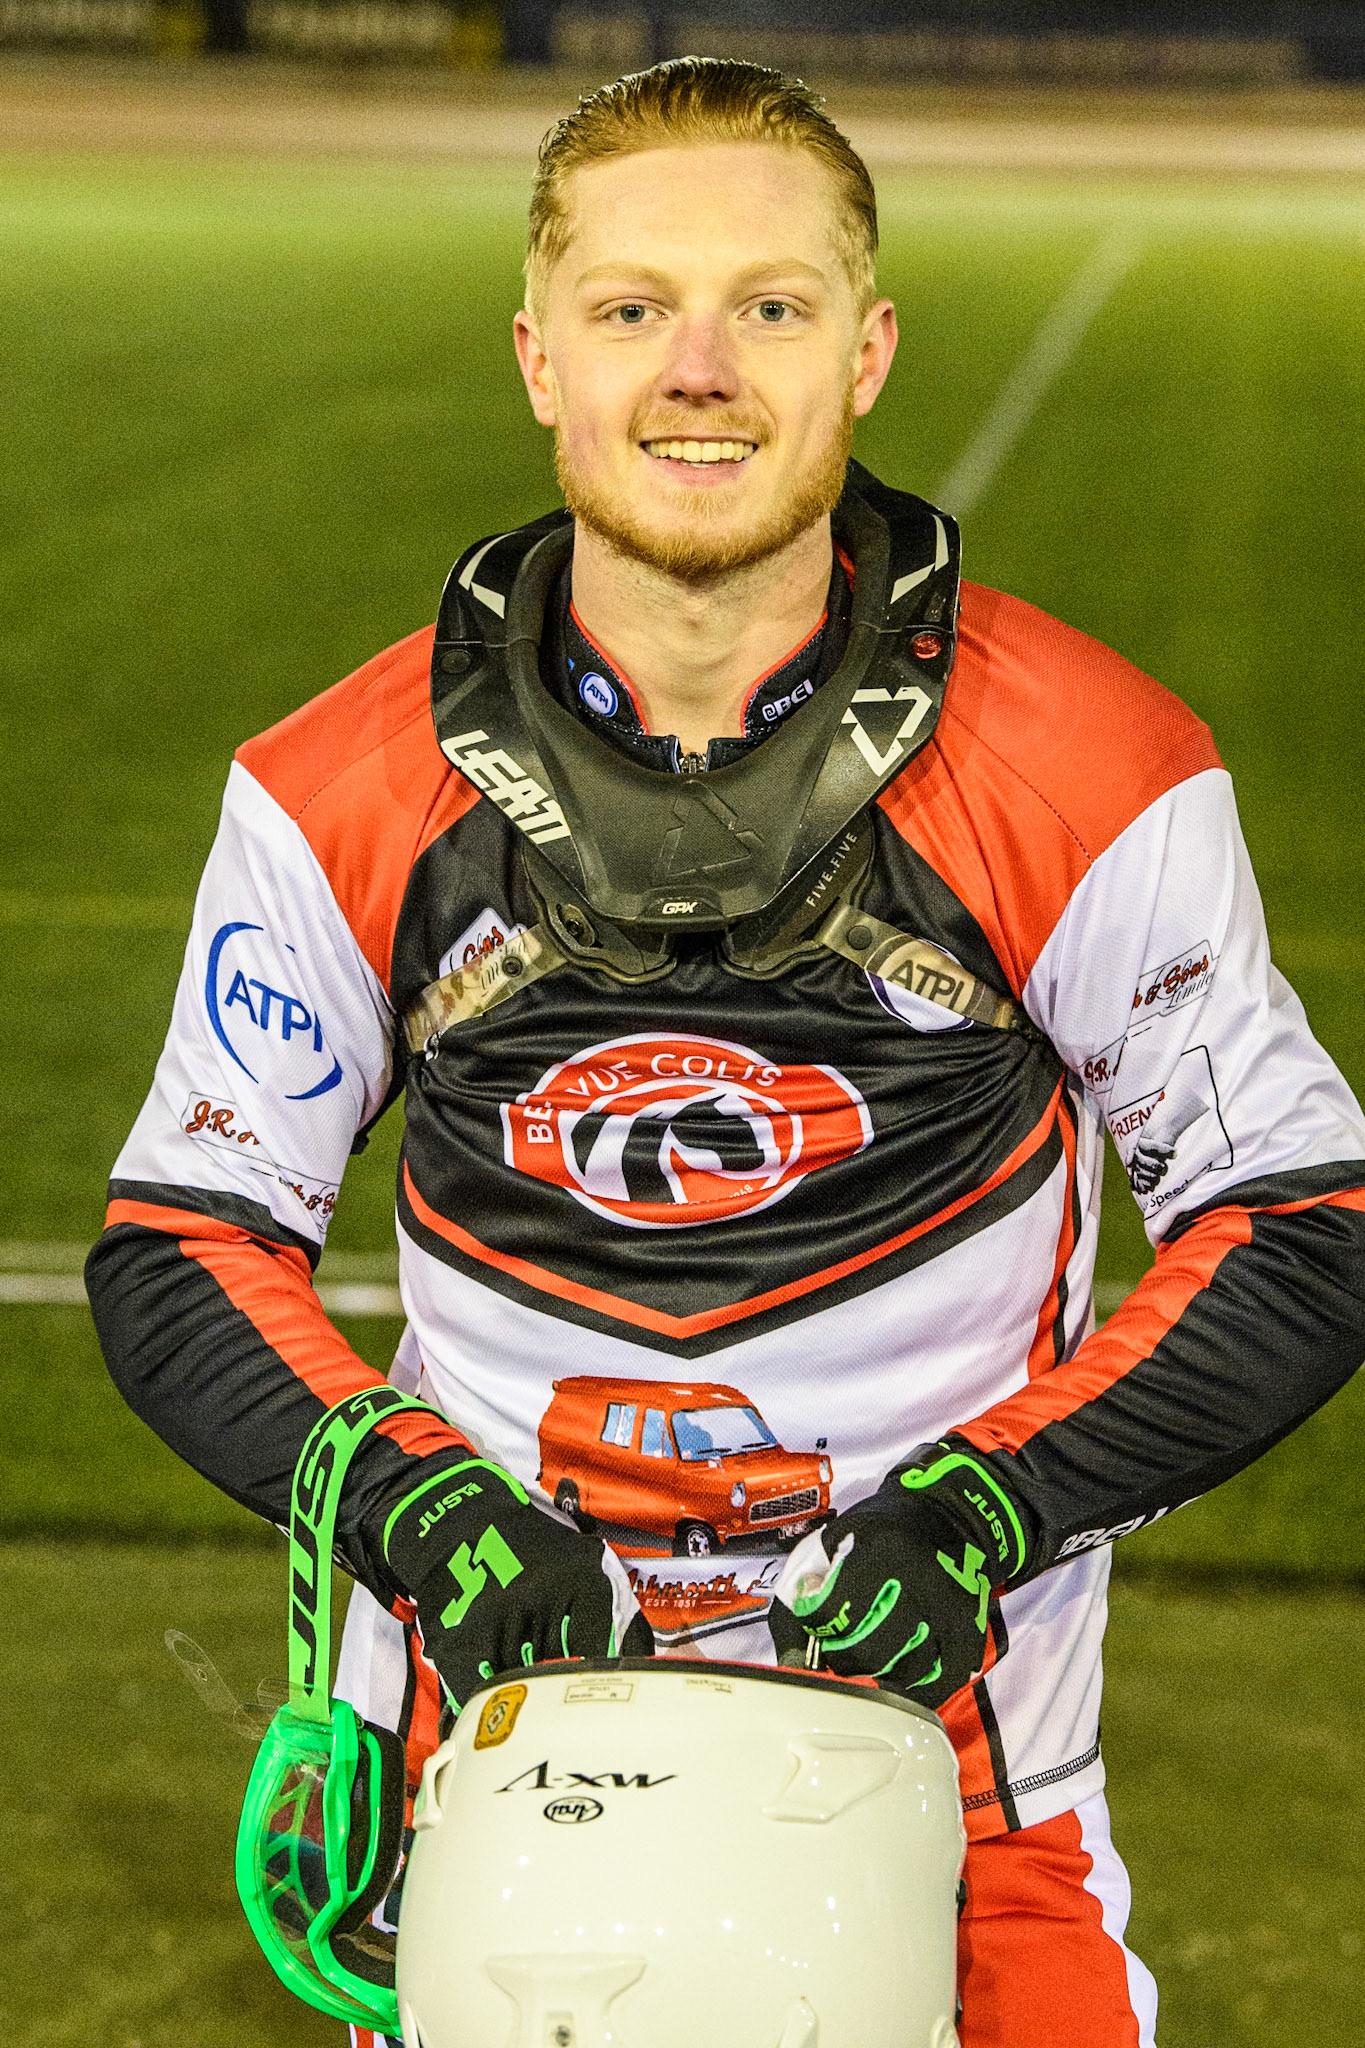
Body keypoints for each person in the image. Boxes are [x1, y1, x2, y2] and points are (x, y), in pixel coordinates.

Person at [87, 57, 1365, 2048]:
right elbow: (182, 1239)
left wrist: (979, 1510)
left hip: (961, 1768)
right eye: (630, 309)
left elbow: (1294, 1222)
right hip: (482, 1747)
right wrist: (412, 1501)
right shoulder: (336, 786)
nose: (699, 369)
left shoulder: (1085, 765)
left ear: (862, 351)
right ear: (537, 358)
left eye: (764, 307)